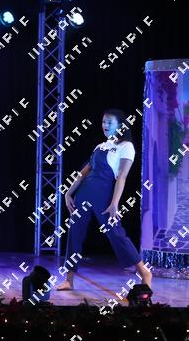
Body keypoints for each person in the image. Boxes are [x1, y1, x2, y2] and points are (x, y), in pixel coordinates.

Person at [56, 109, 152, 291]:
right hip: (83, 194)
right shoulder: (100, 146)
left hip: (104, 196)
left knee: (116, 233)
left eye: (109, 122)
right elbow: (83, 173)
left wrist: (115, 203)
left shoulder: (126, 146)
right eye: (103, 122)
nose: (105, 125)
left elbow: (122, 177)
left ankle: (144, 272)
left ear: (120, 125)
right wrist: (68, 193)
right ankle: (69, 280)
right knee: (74, 234)